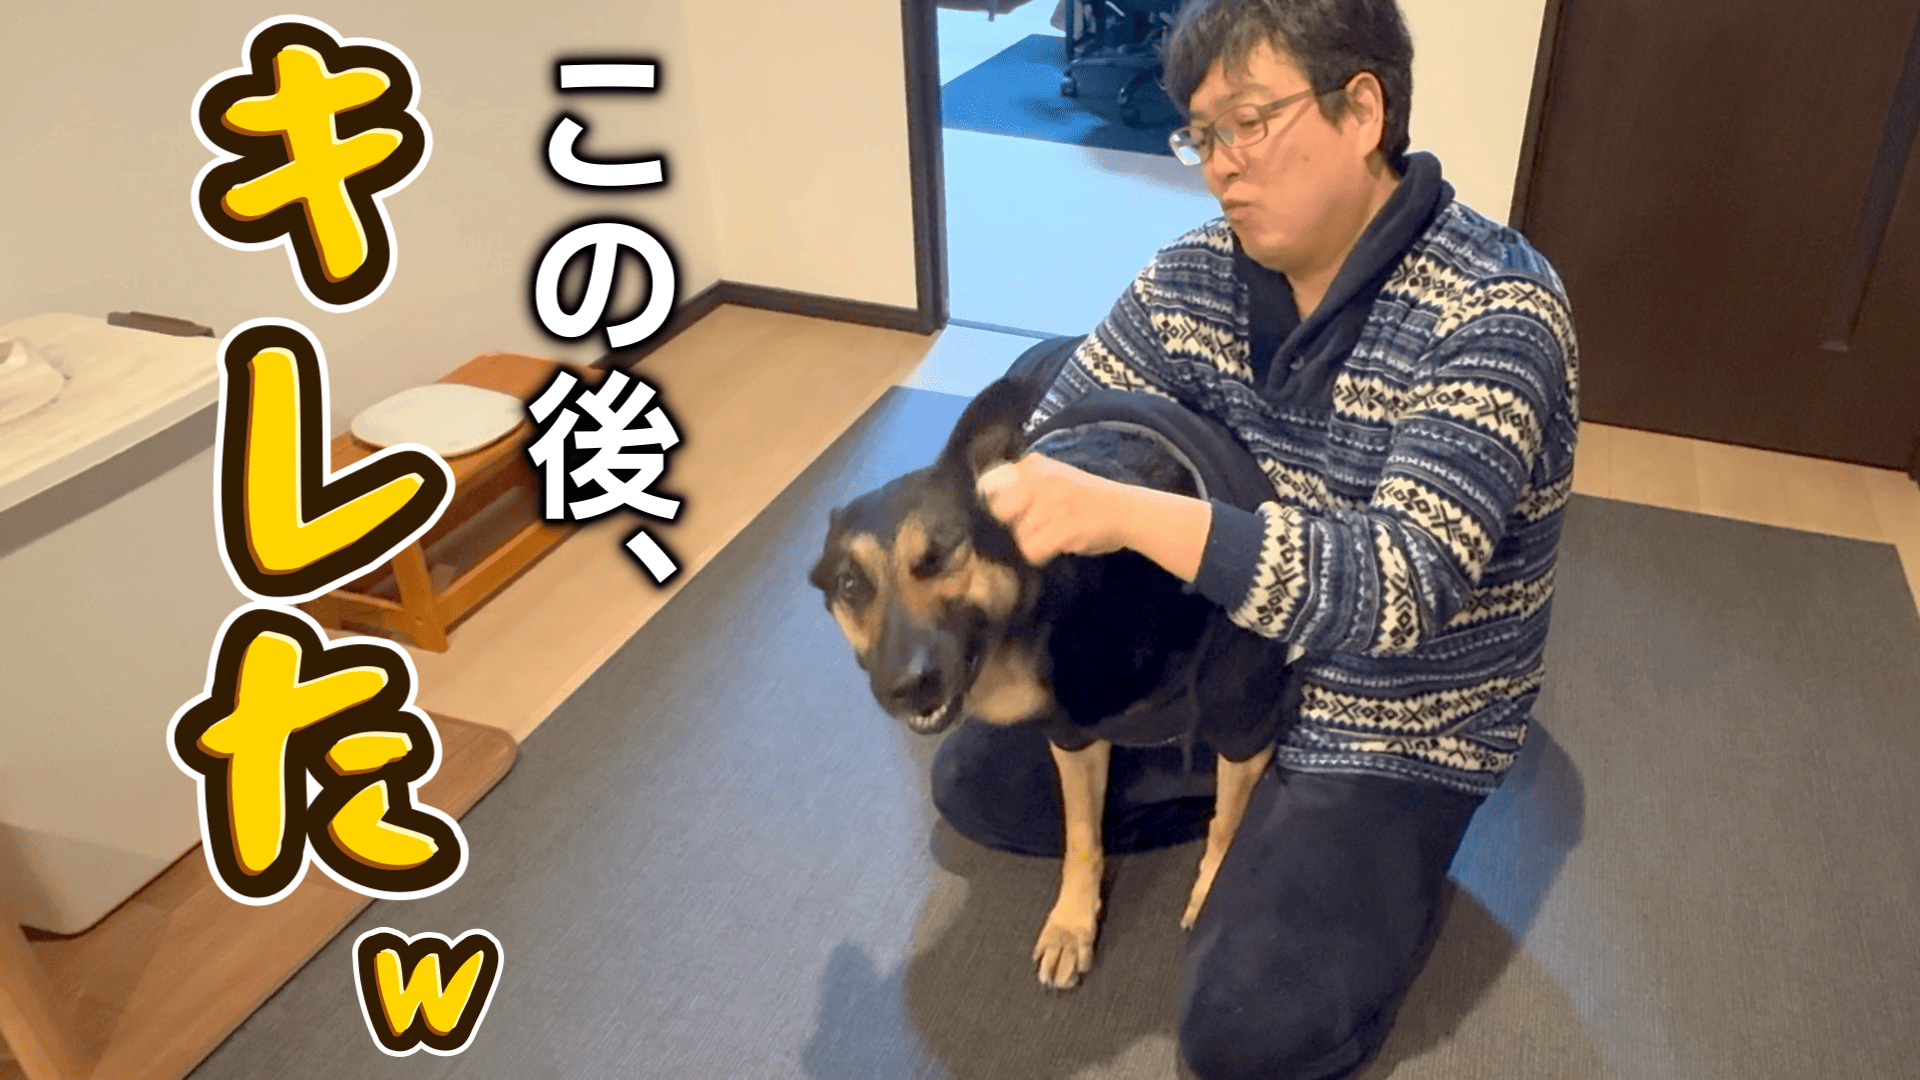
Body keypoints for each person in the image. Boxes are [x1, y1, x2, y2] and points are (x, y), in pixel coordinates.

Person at [930, 1, 1581, 1077]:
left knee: (1246, 1035)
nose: (1220, 167)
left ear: (1361, 110)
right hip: (1226, 650)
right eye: (1202, 135)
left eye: (1250, 123)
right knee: (979, 785)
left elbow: (1401, 588)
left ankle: (1352, 835)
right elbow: (1070, 411)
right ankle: (1234, 789)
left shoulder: (1496, 309)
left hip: (1398, 709)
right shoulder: (1196, 272)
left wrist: (1135, 513)